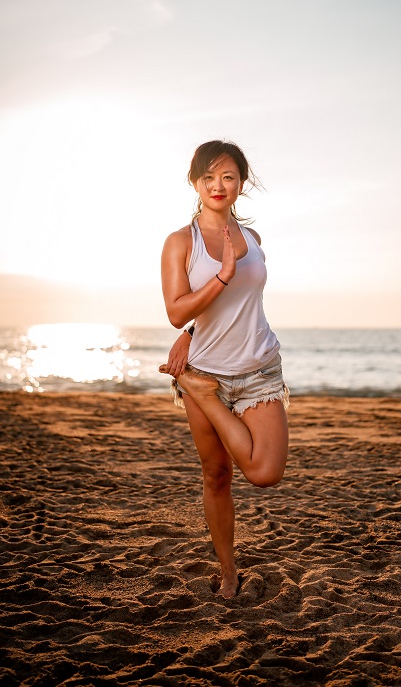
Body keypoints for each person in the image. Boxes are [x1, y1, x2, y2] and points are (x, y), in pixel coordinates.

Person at [159, 140, 289, 598]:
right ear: (195, 182)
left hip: (258, 369)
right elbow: (176, 311)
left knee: (265, 472)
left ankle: (205, 399)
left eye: (229, 177)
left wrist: (193, 332)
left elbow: (232, 309)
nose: (219, 185)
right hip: (206, 370)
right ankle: (229, 570)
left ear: (241, 184)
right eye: (209, 177)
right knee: (216, 474)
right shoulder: (180, 242)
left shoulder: (253, 240)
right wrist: (221, 276)